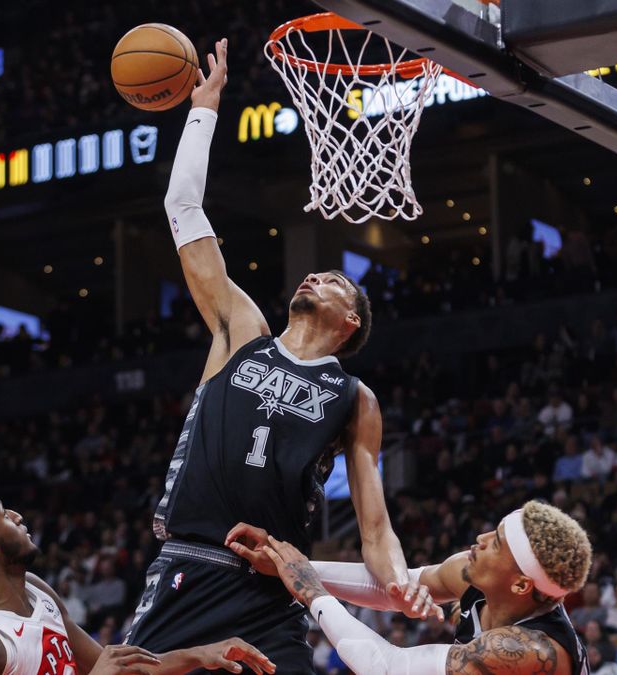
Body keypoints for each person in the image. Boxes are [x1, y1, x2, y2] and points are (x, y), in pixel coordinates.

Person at [125, 37, 432, 671]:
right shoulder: (242, 332)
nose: (313, 276)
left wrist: (402, 583)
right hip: (191, 564)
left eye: (333, 280)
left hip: (273, 587)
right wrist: (203, 110)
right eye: (313, 273)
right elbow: (182, 208)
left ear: (350, 321)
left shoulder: (354, 399)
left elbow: (375, 527)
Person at [0, 489, 275, 675]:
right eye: (2, 513)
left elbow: (114, 666)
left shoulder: (35, 590)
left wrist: (201, 654)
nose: (16, 514)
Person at [229, 500, 592, 674]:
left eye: (496, 543)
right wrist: (289, 564)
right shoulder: (474, 574)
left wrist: (311, 591)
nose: (480, 540)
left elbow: (387, 667)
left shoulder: (528, 649)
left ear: (521, 584)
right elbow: (394, 588)